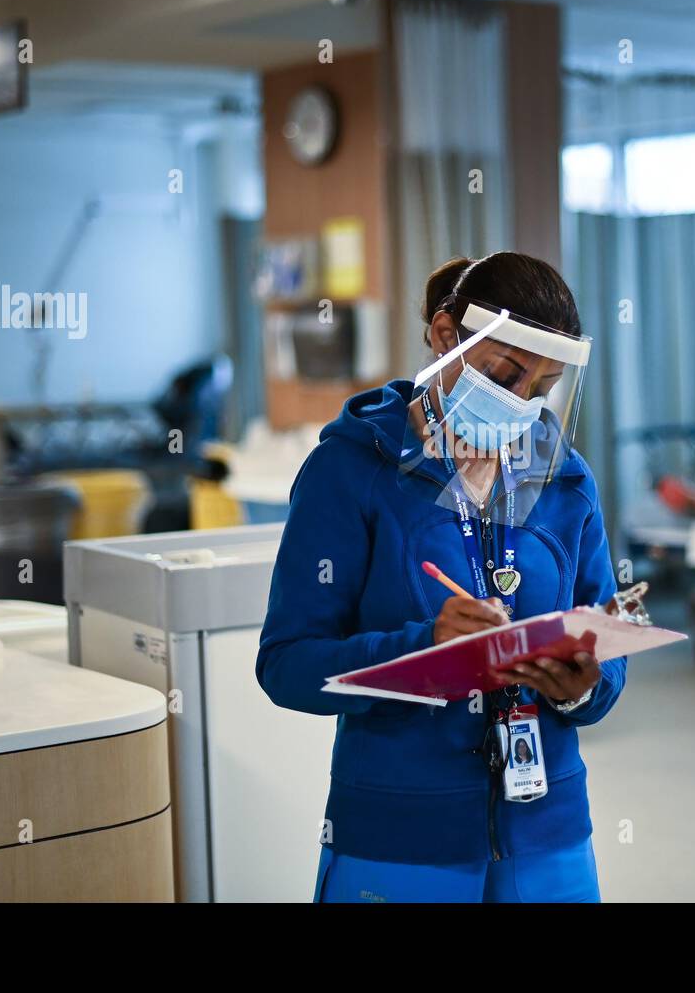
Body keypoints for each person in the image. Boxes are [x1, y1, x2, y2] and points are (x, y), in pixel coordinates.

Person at [256, 252, 626, 902]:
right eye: (503, 376)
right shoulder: (350, 473)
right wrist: (422, 650)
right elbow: (287, 665)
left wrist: (583, 685)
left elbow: (606, 640)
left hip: (549, 833)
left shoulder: (564, 481)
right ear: (445, 335)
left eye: (540, 391)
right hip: (401, 837)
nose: (521, 408)